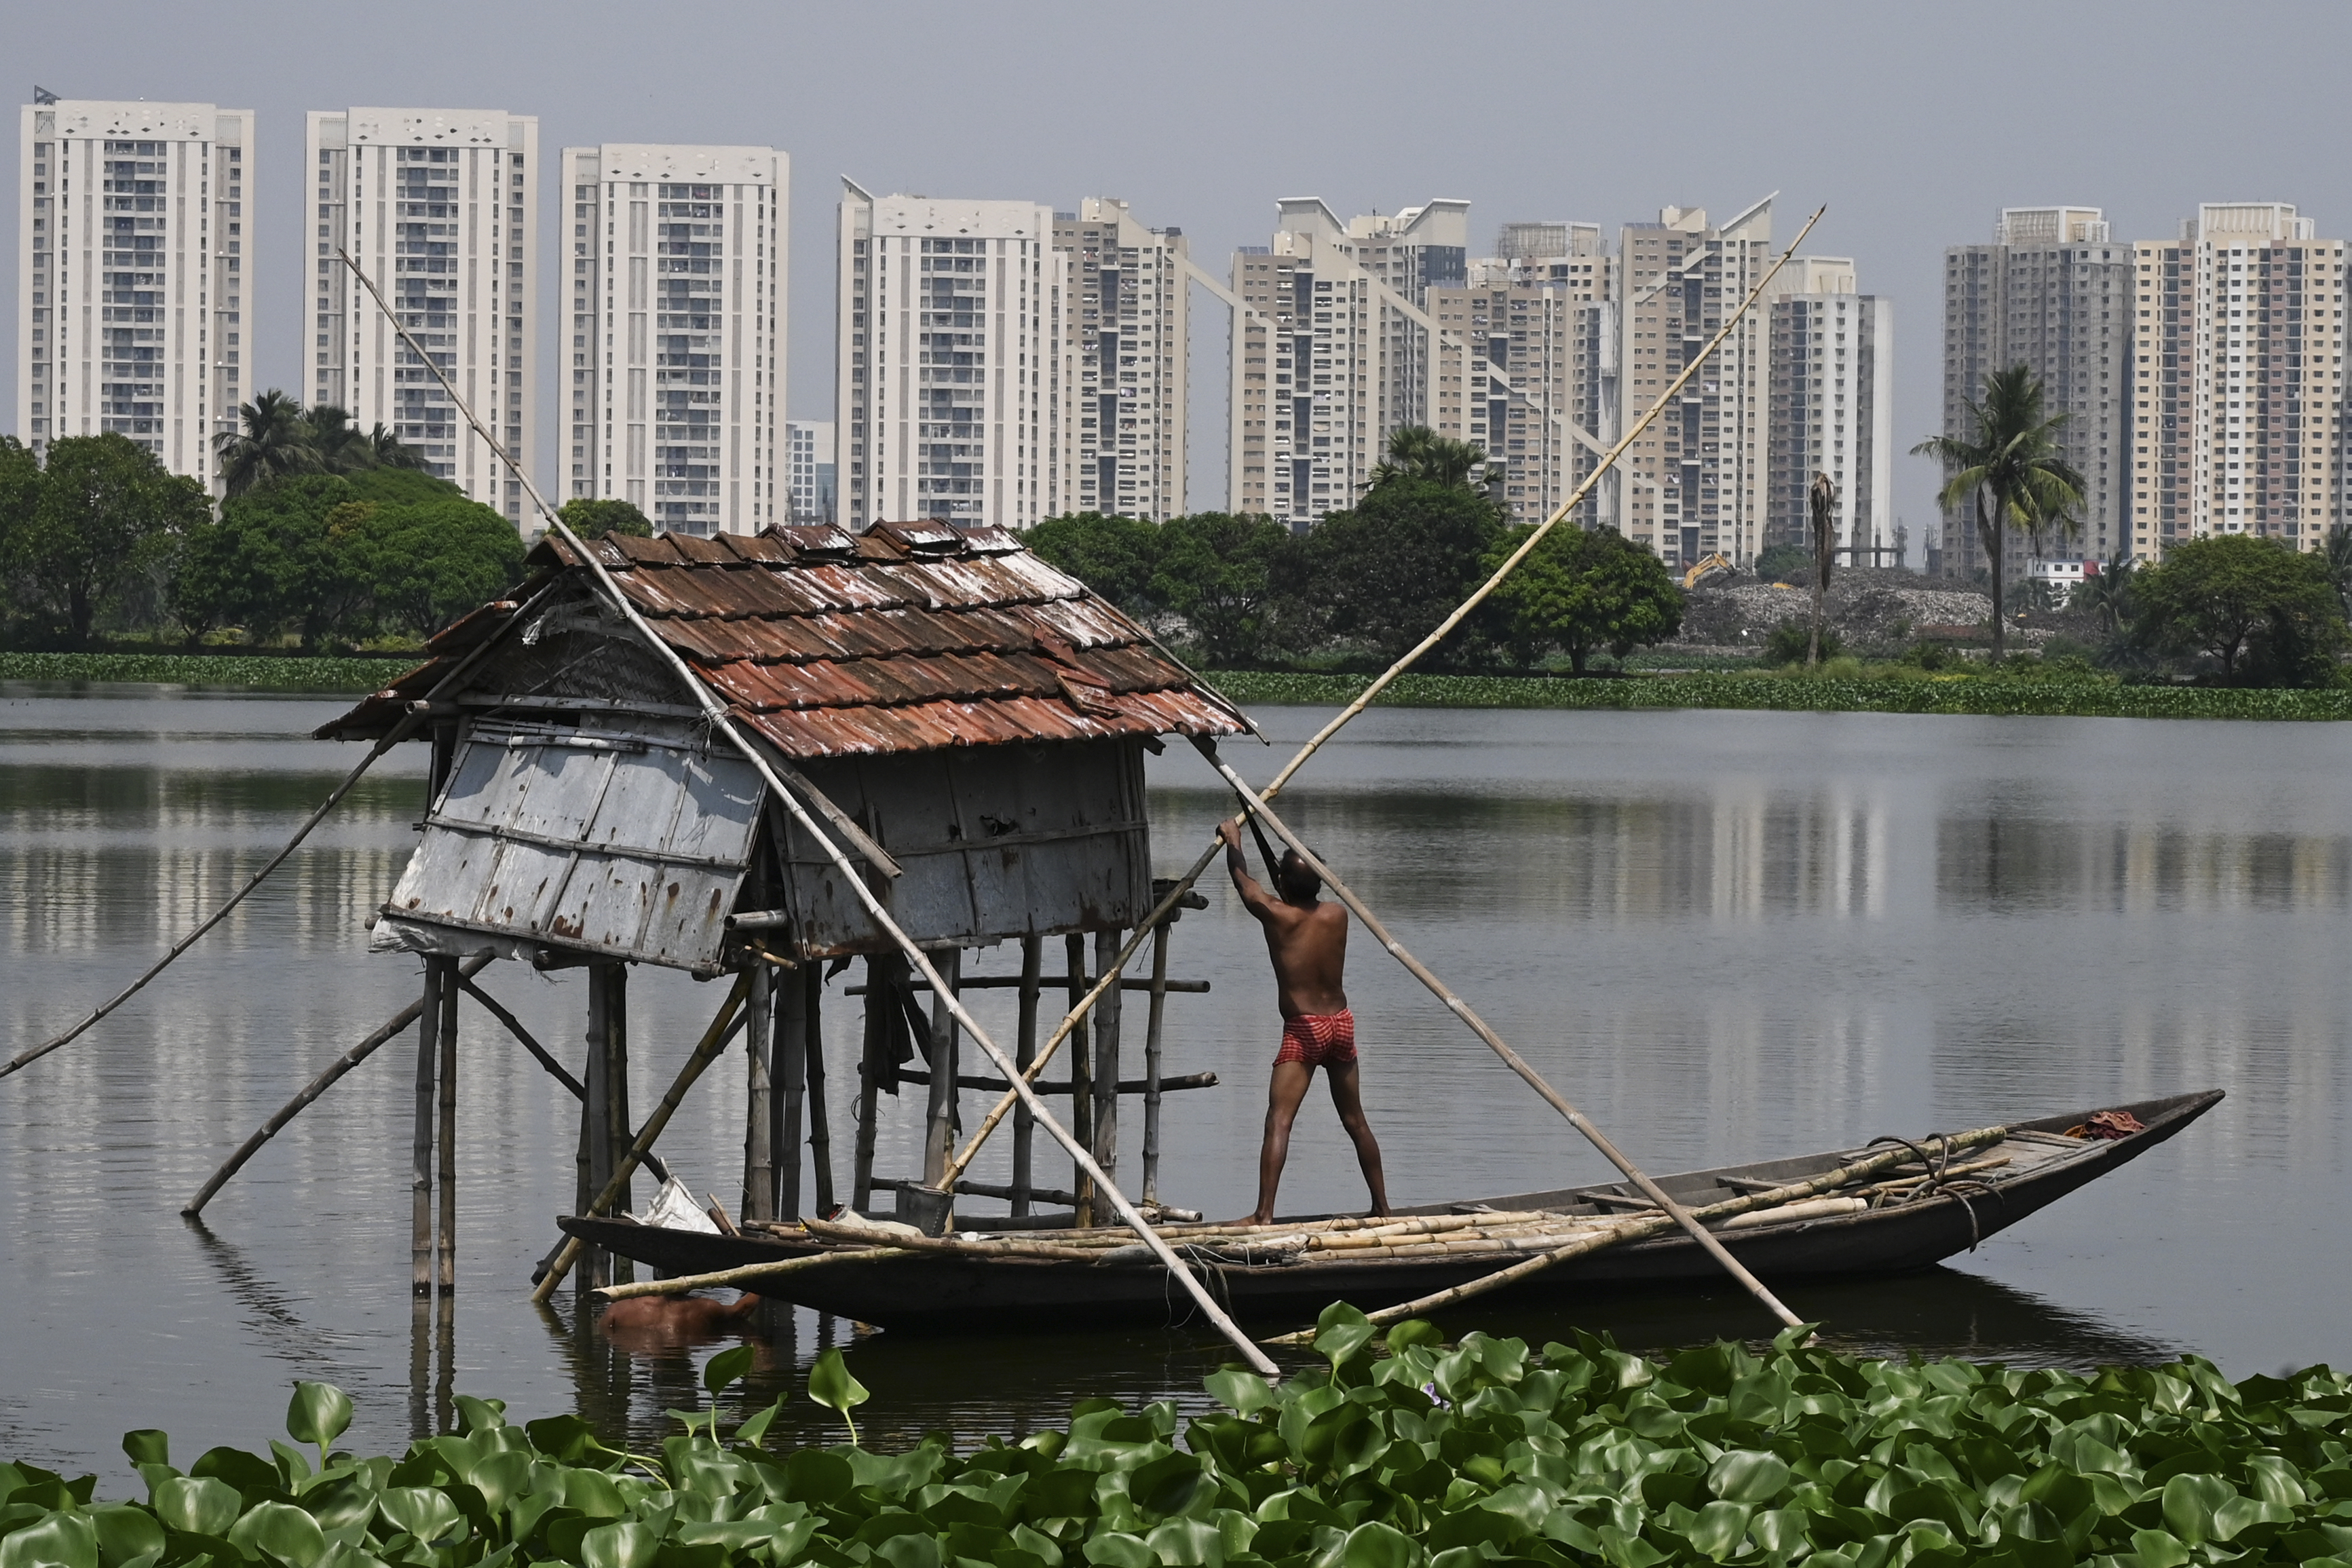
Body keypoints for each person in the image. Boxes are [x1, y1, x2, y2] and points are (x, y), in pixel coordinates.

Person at [1219, 817, 1390, 1225]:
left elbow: (1245, 885)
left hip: (1305, 1029)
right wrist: (1287, 877)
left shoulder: (1279, 917)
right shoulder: (1337, 915)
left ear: (1284, 885)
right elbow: (1284, 890)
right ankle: (1383, 1208)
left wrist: (1234, 840)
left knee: (1279, 1119)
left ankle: (1264, 1215)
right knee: (1355, 1119)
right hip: (1341, 1024)